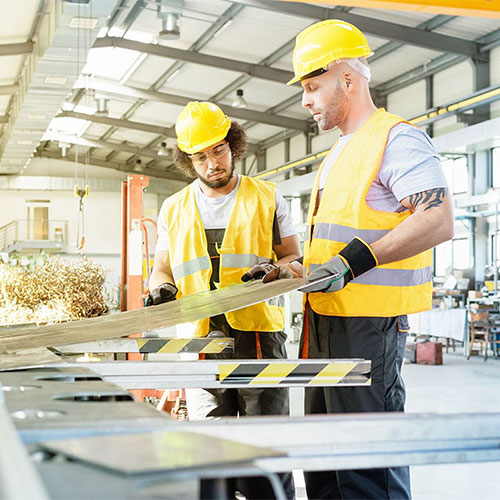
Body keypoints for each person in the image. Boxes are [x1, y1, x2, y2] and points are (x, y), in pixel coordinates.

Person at [264, 19, 454, 499]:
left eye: (312, 86)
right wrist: (293, 270)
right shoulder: (336, 154)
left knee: (368, 466)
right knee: (326, 464)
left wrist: (351, 263)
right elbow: (335, 245)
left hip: (369, 330)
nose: (305, 100)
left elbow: (437, 219)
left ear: (348, 79)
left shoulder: (396, 138)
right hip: (322, 325)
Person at [148, 101, 300, 499]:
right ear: (189, 160)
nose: (212, 162)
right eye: (200, 156)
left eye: (218, 150)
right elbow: (161, 268)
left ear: (232, 144)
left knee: (262, 441)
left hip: (259, 333)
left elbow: (293, 256)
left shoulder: (268, 198)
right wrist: (160, 288)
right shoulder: (173, 208)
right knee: (208, 442)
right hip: (199, 338)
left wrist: (277, 268)